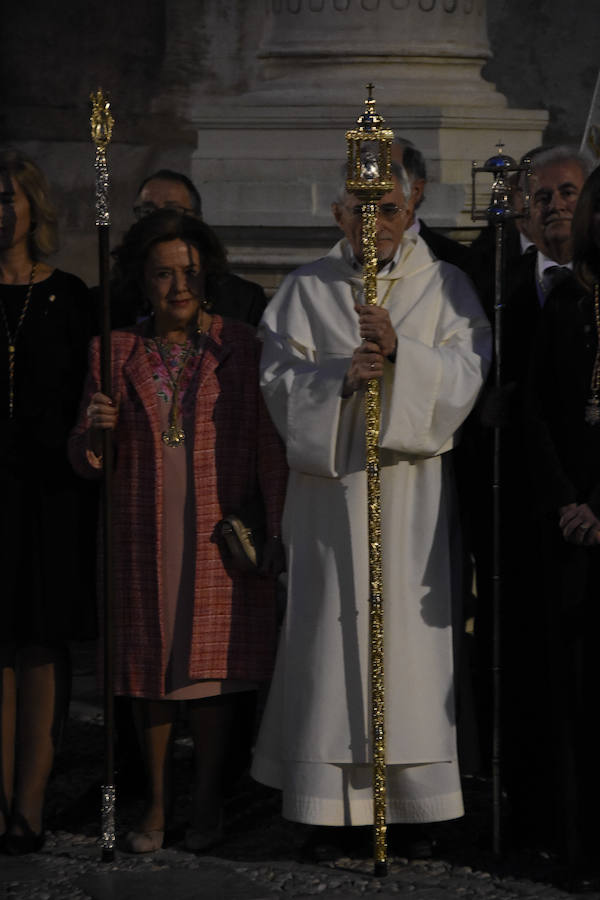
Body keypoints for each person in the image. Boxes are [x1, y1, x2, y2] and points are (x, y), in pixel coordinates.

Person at [250, 161, 491, 849]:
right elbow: (277, 383)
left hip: (412, 502)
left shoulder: (445, 285)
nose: (374, 223)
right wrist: (339, 381)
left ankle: (414, 807)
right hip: (331, 502)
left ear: (411, 207)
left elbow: (468, 370)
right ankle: (329, 805)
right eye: (359, 208)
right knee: (330, 646)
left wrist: (400, 355)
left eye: (386, 208)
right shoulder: (306, 290)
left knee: (410, 657)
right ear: (336, 214)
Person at [69, 210, 287, 854]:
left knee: (215, 674)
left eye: (188, 272)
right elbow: (82, 458)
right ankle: (160, 806)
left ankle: (212, 804)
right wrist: (96, 433)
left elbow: (269, 448)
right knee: (152, 674)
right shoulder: (114, 351)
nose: (178, 287)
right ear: (141, 280)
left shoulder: (241, 345)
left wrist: (275, 529)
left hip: (219, 534)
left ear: (207, 274)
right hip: (143, 536)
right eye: (162, 274)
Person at [0, 149, 96, 854]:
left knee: (39, 645)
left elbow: (90, 394)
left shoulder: (69, 295)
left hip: (49, 494)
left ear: (32, 206)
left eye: (6, 197)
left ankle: (29, 806)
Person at [524, 164, 600, 868]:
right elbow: (538, 410)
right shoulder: (570, 305)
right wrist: (567, 501)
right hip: (570, 525)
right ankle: (578, 846)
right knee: (573, 691)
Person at [126, 169, 268, 327]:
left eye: (171, 211)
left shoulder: (242, 299)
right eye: (148, 211)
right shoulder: (108, 300)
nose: (159, 220)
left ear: (197, 219)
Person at [392, 137, 471, 270]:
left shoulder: (459, 263)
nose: (368, 186)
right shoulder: (345, 256)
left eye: (386, 176)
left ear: (415, 191)